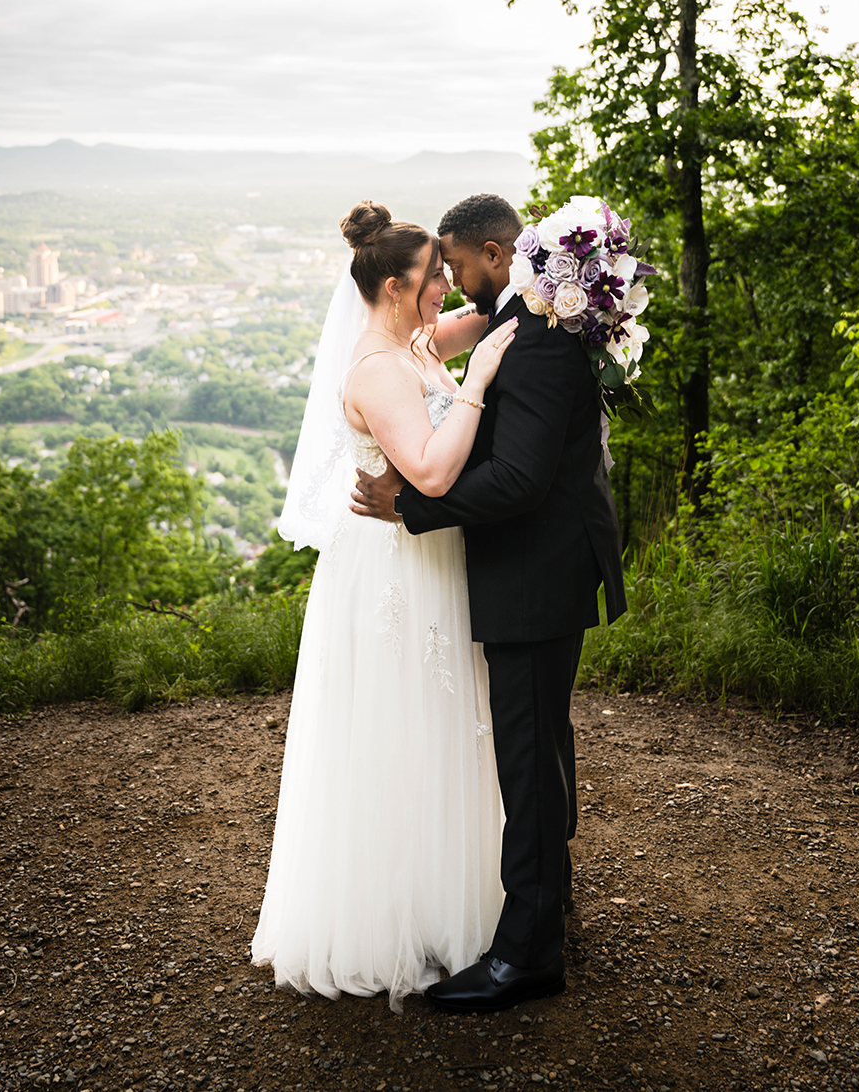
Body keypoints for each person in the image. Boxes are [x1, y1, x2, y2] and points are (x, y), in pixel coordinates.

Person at [352, 192, 626, 1013]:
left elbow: (518, 478)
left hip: (535, 572)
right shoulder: (517, 323)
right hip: (536, 567)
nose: (452, 277)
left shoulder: (536, 341)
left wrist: (412, 509)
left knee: (529, 760)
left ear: (497, 256)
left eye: (458, 263)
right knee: (541, 746)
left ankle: (528, 956)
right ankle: (552, 896)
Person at [251, 200, 517, 1013]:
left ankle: (449, 901)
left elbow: (477, 324)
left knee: (442, 727)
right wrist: (477, 387)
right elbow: (432, 474)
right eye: (437, 277)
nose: (446, 287)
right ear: (400, 285)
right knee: (401, 727)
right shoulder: (374, 368)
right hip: (396, 571)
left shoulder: (409, 340)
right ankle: (392, 920)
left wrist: (536, 298)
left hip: (427, 560)